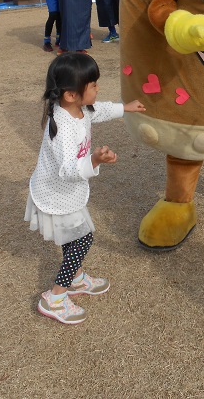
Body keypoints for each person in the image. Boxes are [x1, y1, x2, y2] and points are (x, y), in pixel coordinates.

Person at [25, 52, 146, 325]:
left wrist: (125, 107)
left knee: (74, 237)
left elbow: (98, 109)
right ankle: (54, 297)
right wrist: (94, 159)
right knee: (83, 239)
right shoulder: (62, 129)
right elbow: (68, 170)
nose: (97, 88)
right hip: (56, 194)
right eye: (92, 85)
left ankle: (77, 278)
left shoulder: (80, 108)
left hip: (68, 193)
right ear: (70, 94)